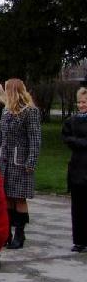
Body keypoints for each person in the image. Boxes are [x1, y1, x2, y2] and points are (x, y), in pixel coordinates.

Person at [0, 78, 41, 250]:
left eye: (7, 89)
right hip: (4, 161)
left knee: (19, 198)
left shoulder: (30, 111)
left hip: (19, 161)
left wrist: (31, 161)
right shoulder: (6, 111)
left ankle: (20, 233)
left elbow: (35, 139)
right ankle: (6, 232)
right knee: (6, 197)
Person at [62, 87, 87, 253]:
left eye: (84, 102)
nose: (81, 105)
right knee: (77, 206)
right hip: (77, 166)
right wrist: (79, 142)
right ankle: (79, 240)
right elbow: (66, 137)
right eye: (79, 102)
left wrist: (78, 141)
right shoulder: (72, 120)